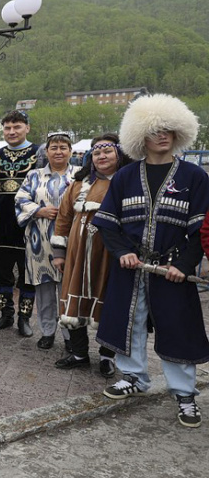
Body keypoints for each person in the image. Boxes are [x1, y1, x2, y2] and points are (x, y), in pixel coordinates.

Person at [95, 94, 209, 428]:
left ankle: (184, 393)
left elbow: (203, 231)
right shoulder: (125, 176)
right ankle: (133, 377)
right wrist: (123, 252)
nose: (162, 136)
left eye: (168, 130)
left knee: (178, 326)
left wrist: (184, 265)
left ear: (179, 133)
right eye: (154, 130)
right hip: (131, 267)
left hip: (172, 268)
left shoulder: (194, 177)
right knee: (128, 321)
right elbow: (107, 223)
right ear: (138, 136)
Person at [51, 134, 129, 376]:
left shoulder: (127, 183)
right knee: (73, 301)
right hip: (77, 253)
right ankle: (79, 353)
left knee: (110, 303)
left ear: (119, 154)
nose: (102, 156)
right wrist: (59, 253)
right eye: (96, 153)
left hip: (110, 255)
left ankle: (107, 357)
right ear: (90, 157)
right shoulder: (79, 183)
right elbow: (63, 217)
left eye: (107, 151)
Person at [14, 132, 77, 349]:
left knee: (69, 291)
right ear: (47, 151)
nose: (58, 152)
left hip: (70, 243)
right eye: (54, 147)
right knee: (44, 290)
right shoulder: (34, 175)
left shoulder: (79, 176)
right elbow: (20, 199)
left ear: (70, 151)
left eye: (63, 147)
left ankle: (72, 337)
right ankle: (47, 331)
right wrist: (39, 211)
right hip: (39, 243)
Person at [0, 110, 42, 336]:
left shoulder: (39, 153)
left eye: (17, 127)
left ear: (27, 127)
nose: (12, 132)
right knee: (1, 271)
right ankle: (6, 315)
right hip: (0, 221)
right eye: (7, 128)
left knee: (28, 272)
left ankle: (24, 318)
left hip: (29, 223)